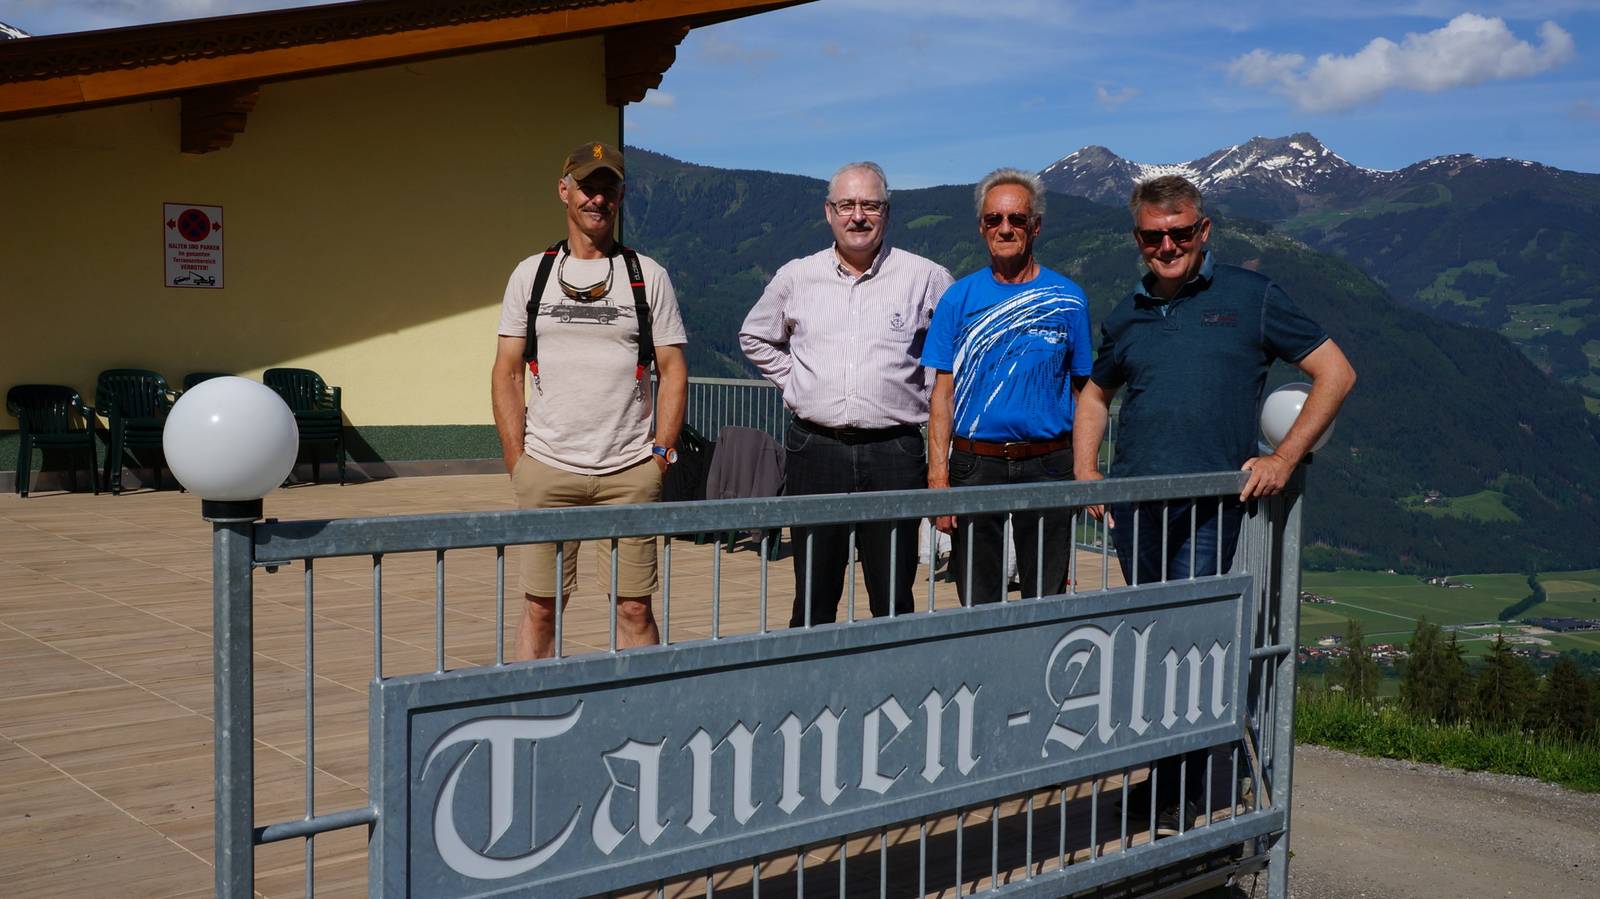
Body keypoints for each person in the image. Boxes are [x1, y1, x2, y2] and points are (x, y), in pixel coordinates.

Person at [1072, 173, 1356, 834]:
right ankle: (1162, 780)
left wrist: (1284, 458)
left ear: (1203, 230)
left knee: (1189, 645)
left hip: (1209, 509)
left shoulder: (1252, 297)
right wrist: (1087, 471)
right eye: (1153, 236)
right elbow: (1095, 394)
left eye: (1179, 233)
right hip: (1135, 506)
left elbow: (1335, 373)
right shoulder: (1128, 312)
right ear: (1137, 238)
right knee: (1153, 644)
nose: (1167, 246)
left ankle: (1185, 789)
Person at [491, 142, 689, 660]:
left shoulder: (648, 276)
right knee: (541, 607)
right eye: (587, 187)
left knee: (634, 608)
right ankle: (534, 708)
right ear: (564, 191)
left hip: (630, 471)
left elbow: (673, 369)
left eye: (608, 188)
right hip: (547, 468)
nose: (597, 198)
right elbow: (507, 371)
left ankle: (639, 709)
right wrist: (518, 462)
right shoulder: (530, 274)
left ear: (621, 197)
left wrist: (660, 456)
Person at [739, 161, 954, 626]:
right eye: (847, 205)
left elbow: (955, 353)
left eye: (870, 205)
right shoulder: (797, 276)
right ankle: (811, 671)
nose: (858, 216)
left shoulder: (926, 277)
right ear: (829, 212)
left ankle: (892, 670)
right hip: (815, 448)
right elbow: (754, 336)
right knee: (814, 593)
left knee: (892, 593)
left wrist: (924, 394)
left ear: (887, 212)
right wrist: (796, 380)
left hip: (895, 450)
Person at [922, 168, 1094, 605]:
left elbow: (1084, 392)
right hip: (974, 464)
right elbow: (942, 394)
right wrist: (938, 477)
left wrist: (1083, 466)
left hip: (1049, 463)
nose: (1005, 228)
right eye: (994, 219)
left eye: (1017, 219)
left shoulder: (1069, 299)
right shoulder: (957, 299)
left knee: (1046, 595)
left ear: (1035, 226)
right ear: (981, 227)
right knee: (978, 597)